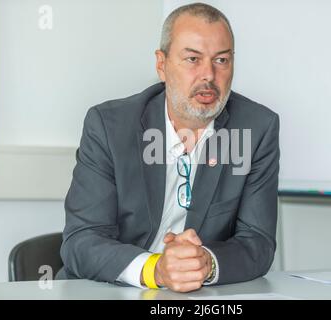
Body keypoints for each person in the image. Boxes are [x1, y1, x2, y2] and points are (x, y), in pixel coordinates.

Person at [58, 2, 280, 293]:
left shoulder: (257, 128)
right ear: (161, 65)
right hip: (106, 290)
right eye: (192, 59)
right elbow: (82, 240)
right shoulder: (110, 126)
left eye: (221, 60)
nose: (209, 76)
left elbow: (257, 243)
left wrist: (207, 263)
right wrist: (156, 269)